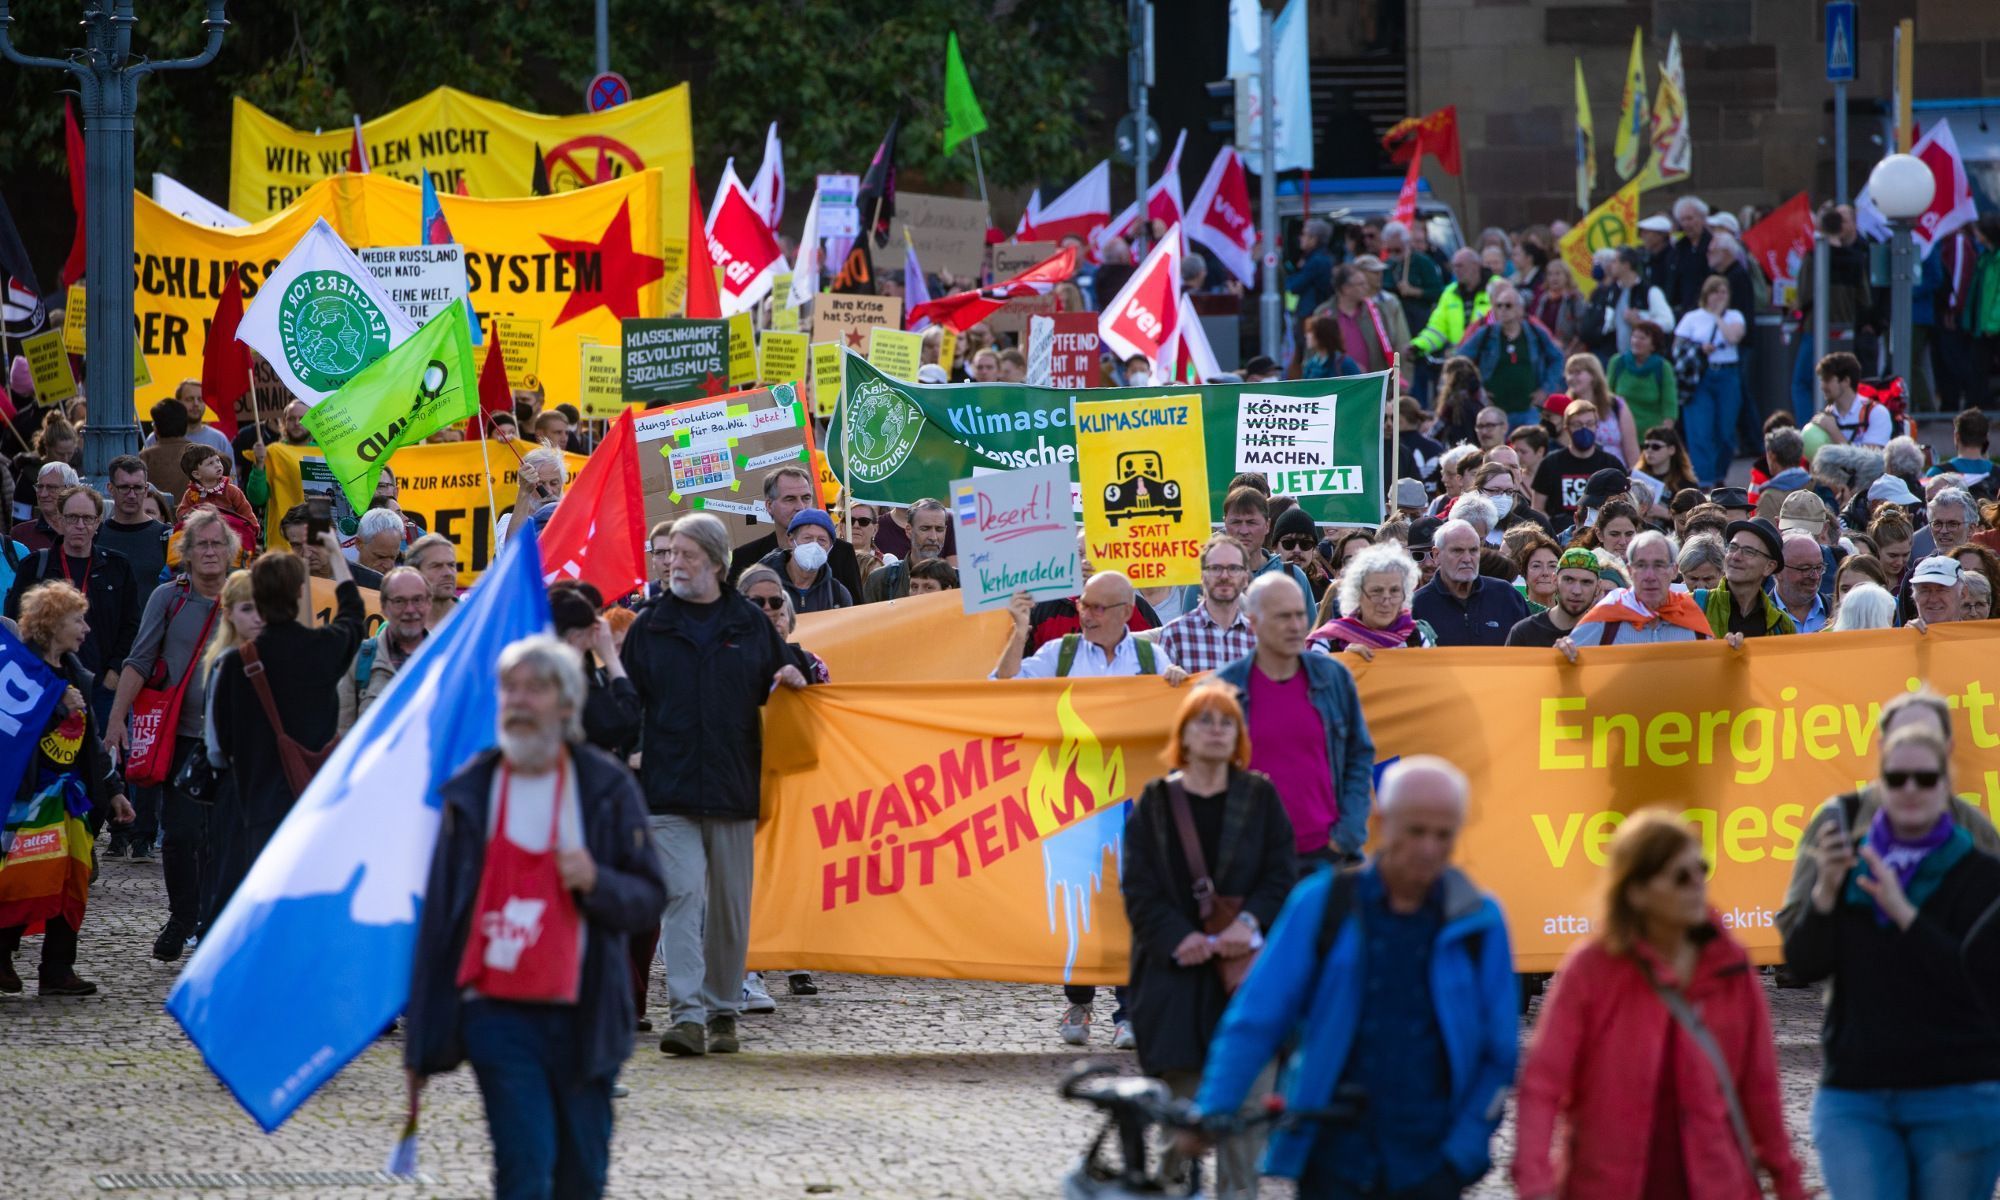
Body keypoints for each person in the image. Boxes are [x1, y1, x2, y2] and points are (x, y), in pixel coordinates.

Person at [405, 636, 666, 1200]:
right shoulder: (473, 791)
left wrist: (597, 881)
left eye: (535, 689)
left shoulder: (606, 788)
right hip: (498, 1018)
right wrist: (421, 1042)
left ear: (568, 704)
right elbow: (439, 922)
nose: (519, 701)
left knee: (581, 1178)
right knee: (524, 1171)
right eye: (510, 689)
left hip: (585, 1013)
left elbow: (649, 898)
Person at [1186, 757, 1515, 1199]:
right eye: (1416, 831)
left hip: (1431, 1164)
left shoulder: (1480, 922)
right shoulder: (1322, 906)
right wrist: (1213, 1110)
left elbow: (1499, 1053)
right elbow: (1256, 1019)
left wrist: (1464, 1150)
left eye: (1444, 835)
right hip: (1332, 1156)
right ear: (1382, 821)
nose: (1430, 849)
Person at [1514, 810, 1807, 1200]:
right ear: (1635, 890)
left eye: (1701, 870)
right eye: (1680, 876)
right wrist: (1534, 1180)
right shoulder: (1592, 968)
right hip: (1606, 1186)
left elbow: (1759, 1089)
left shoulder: (1730, 966)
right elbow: (1543, 1081)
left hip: (1716, 1185)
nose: (1698, 885)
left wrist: (1788, 1182)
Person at [1783, 719, 2000, 1199]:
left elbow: (1978, 984)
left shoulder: (1982, 874)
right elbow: (1803, 964)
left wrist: (1904, 914)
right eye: (1896, 778)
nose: (1910, 790)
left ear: (1946, 785)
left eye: (1924, 778)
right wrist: (1825, 893)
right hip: (1857, 1094)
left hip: (1956, 1095)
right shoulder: (1850, 862)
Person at [620, 513, 805, 1058]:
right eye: (671, 554)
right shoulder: (650, 625)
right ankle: (688, 1016)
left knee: (728, 908)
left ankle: (724, 1010)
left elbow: (788, 680)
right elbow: (628, 702)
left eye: (686, 555)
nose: (675, 563)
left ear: (718, 563)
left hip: (733, 786)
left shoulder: (749, 624)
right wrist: (629, 750)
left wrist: (795, 676)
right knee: (680, 896)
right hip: (666, 789)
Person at [1120, 683, 1298, 1200]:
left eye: (1227, 722)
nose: (1217, 730)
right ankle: (1167, 1184)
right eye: (1206, 721)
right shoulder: (1154, 804)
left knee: (1245, 1125)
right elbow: (1140, 888)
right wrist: (1182, 938)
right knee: (1186, 1124)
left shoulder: (1260, 797)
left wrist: (1249, 924)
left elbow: (1280, 874)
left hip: (1247, 985)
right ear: (1184, 735)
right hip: (1175, 985)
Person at [101, 508, 234, 954]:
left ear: (231, 551)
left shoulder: (245, 596)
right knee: (179, 835)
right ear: (187, 552)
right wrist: (117, 719)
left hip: (234, 741)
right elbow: (138, 660)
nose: (211, 551)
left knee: (222, 836)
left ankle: (213, 922)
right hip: (180, 738)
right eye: (202, 545)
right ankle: (182, 915)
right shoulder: (168, 598)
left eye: (218, 543)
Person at [0, 581, 136, 996]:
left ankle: (57, 969)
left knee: (71, 883)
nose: (86, 628)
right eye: (78, 619)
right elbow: (15, 733)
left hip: (71, 799)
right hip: (30, 799)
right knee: (25, 881)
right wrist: (60, 707)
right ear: (53, 623)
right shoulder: (20, 673)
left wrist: (112, 789)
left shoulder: (77, 672)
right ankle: (1, 957)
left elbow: (90, 742)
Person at [209, 543, 366, 867]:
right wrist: (336, 559)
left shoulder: (237, 663)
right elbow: (354, 615)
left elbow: (223, 742)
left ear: (259, 596)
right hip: (316, 803)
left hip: (259, 806)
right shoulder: (324, 647)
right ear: (300, 592)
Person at [1216, 574, 1374, 866]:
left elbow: (1358, 755)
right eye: (1282, 617)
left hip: (1327, 857)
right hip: (1253, 865)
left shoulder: (1332, 678)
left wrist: (1346, 835)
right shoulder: (1224, 689)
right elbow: (1202, 775)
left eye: (1300, 615)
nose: (1295, 626)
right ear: (1253, 623)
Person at [5, 484, 140, 712]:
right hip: (46, 687)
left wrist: (114, 674)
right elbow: (16, 624)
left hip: (103, 689)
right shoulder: (35, 566)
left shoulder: (118, 567)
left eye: (87, 518)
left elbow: (132, 624)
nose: (80, 525)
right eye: (72, 518)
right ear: (59, 520)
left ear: (98, 522)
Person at [730, 467, 864, 600]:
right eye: (790, 499)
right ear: (769, 506)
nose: (800, 507)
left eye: (806, 498)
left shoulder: (841, 552)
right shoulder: (746, 558)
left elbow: (857, 612)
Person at [1567, 530, 1713, 648]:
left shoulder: (1691, 615)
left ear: (1674, 571)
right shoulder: (1605, 617)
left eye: (1659, 565)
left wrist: (1731, 652)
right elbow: (1564, 666)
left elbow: (1711, 672)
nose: (1650, 576)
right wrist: (1564, 650)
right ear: (1630, 571)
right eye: (1641, 565)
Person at [336, 566, 431, 734]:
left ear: (429, 603)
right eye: (399, 601)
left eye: (417, 600)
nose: (410, 610)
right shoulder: (359, 661)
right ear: (383, 607)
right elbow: (342, 738)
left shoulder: (449, 658)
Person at [1675, 276, 1749, 487]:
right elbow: (1678, 347)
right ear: (1706, 294)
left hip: (1727, 375)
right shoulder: (1692, 317)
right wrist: (1700, 349)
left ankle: (1719, 474)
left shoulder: (1734, 316)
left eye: (1723, 292)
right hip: (1701, 377)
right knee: (1700, 430)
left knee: (1725, 431)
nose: (1719, 296)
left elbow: (1734, 337)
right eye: (1715, 291)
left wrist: (1717, 316)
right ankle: (1704, 480)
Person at [1457, 283, 1564, 426]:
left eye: (1508, 306)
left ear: (1520, 309)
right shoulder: (1486, 333)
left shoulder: (1535, 332)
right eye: (1498, 305)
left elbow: (1557, 358)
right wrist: (1476, 389)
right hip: (1494, 412)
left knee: (1530, 445)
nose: (1502, 310)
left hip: (1529, 411)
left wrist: (1546, 389)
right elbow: (1460, 360)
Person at [1411, 519, 1529, 647]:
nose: (1467, 559)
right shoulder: (1416, 606)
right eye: (1457, 551)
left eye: (1473, 550)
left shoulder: (1507, 596)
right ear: (1436, 555)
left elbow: (1531, 649)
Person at [1308, 541, 1436, 655]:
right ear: (1357, 595)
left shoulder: (1417, 638)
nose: (1386, 601)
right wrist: (1344, 662)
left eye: (1394, 591)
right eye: (1376, 591)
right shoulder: (1329, 642)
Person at [1153, 535, 1257, 675]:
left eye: (1233, 568)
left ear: (1245, 578)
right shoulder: (1174, 634)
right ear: (1202, 576)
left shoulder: (1259, 638)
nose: (1224, 576)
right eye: (1215, 568)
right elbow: (1158, 694)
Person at [1691, 518, 1796, 641]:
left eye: (1748, 552)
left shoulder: (1782, 625)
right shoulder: (1693, 605)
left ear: (1769, 567)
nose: (1736, 556)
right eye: (1733, 547)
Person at [97, 455, 172, 609]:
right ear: (110, 489)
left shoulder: (166, 536)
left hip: (152, 629)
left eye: (137, 488)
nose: (131, 495)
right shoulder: (95, 535)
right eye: (124, 487)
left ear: (145, 490)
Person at [1531, 401, 1625, 519]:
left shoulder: (1611, 465)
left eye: (1590, 423)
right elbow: (1537, 508)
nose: (1584, 429)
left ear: (1596, 426)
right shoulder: (1550, 463)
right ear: (1567, 428)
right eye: (1577, 424)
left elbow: (1626, 505)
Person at [759, 509, 852, 613]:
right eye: (807, 538)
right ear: (791, 541)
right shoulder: (758, 586)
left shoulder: (837, 594)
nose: (814, 545)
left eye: (822, 540)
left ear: (830, 547)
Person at [1409, 249, 1492, 364]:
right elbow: (1437, 329)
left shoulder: (1496, 288)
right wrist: (1417, 346)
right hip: (1459, 361)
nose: (1456, 271)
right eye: (1454, 267)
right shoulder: (1450, 293)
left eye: (1460, 266)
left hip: (1489, 359)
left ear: (1475, 266)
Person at [1506, 546, 1599, 648]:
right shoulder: (1524, 633)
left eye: (1586, 582)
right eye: (1569, 580)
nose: (1576, 591)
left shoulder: (1606, 634)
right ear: (1554, 580)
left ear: (1598, 587)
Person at [862, 498, 950, 603]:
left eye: (939, 530)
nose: (933, 537)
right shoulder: (881, 581)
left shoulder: (959, 582)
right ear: (908, 530)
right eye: (925, 529)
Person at [1815, 352, 1890, 449]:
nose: (1822, 387)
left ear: (1846, 381)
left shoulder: (1876, 413)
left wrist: (1834, 431)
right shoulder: (1826, 416)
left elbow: (1869, 460)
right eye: (1822, 380)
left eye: (1827, 380)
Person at [1772, 530, 1830, 633]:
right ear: (1778, 570)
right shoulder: (1758, 616)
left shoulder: (1837, 610)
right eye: (1805, 569)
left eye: (1819, 567)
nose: (1815, 576)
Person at [139, 399, 196, 498]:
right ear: (185, 425)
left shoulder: (146, 456)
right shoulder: (199, 452)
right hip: (194, 511)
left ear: (156, 428)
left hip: (157, 511)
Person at [406, 532, 460, 628]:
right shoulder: (395, 628)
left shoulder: (479, 619)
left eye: (451, 565)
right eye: (436, 566)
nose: (448, 573)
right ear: (415, 573)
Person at [1909, 555, 1966, 629]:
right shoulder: (1903, 638)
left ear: (1963, 593)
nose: (1933, 599)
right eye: (1924, 591)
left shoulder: (1979, 638)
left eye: (1942, 590)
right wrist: (1907, 637)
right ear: (1914, 596)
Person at [351, 507, 405, 578]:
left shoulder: (399, 585)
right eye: (380, 557)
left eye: (393, 557)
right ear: (359, 543)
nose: (388, 566)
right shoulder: (337, 582)